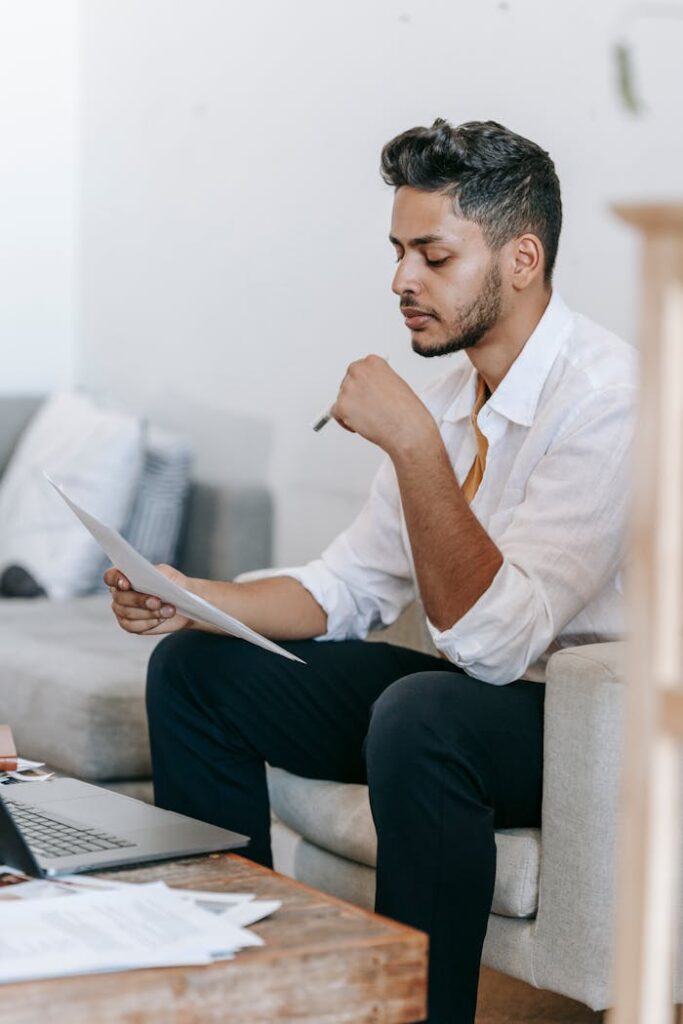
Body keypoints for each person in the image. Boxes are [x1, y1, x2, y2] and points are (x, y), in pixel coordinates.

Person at [105, 119, 636, 1024]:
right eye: (398, 252)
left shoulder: (606, 400)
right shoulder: (445, 397)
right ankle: (243, 984)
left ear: (520, 258)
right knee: (196, 672)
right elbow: (348, 585)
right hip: (460, 693)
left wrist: (413, 446)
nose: (400, 280)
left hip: (581, 720)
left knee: (421, 712)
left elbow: (502, 644)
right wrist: (189, 596)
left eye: (431, 255)